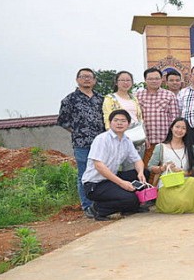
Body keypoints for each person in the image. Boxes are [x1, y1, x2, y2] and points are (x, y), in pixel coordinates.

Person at [81, 109, 146, 221]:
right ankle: (97, 209)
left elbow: (137, 160)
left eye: (123, 121)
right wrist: (122, 184)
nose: (119, 123)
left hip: (110, 179)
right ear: (110, 122)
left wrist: (140, 173)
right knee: (130, 198)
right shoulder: (102, 139)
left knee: (145, 172)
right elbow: (99, 166)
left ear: (128, 124)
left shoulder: (126, 140)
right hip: (95, 184)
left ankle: (129, 207)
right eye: (116, 120)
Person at [57, 68, 105, 212]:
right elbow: (62, 121)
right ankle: (87, 206)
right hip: (82, 143)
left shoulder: (100, 99)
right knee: (84, 174)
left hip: (100, 143)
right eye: (83, 77)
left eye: (90, 77)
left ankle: (101, 204)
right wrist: (79, 132)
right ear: (77, 80)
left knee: (102, 173)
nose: (87, 79)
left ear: (95, 80)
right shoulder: (69, 99)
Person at [147, 118, 194, 214]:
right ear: (171, 128)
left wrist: (181, 171)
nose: (179, 130)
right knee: (180, 204)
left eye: (183, 128)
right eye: (177, 127)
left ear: (186, 131)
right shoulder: (160, 147)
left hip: (185, 182)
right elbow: (150, 167)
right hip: (167, 184)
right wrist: (162, 168)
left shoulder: (190, 148)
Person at [136, 67, 180, 165]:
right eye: (150, 79)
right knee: (146, 169)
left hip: (164, 141)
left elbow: (174, 118)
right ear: (145, 80)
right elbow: (137, 118)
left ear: (161, 80)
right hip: (145, 141)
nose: (154, 81)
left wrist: (172, 139)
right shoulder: (138, 96)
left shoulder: (169, 95)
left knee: (165, 168)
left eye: (157, 78)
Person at [102, 71, 145, 170]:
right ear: (116, 82)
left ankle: (134, 185)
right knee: (122, 168)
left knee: (136, 167)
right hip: (120, 135)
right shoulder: (110, 98)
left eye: (128, 80)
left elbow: (139, 118)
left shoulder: (134, 98)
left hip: (137, 137)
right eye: (122, 80)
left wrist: (144, 136)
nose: (125, 83)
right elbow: (107, 118)